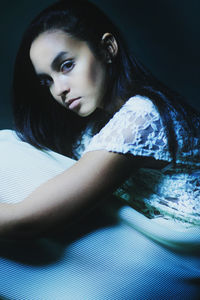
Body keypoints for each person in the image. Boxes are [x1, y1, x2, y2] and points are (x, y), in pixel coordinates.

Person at [0, 0, 199, 243]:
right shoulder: (94, 126)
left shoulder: (142, 117)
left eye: (67, 65)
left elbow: (26, 221)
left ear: (107, 48)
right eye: (47, 81)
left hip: (183, 261)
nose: (59, 89)